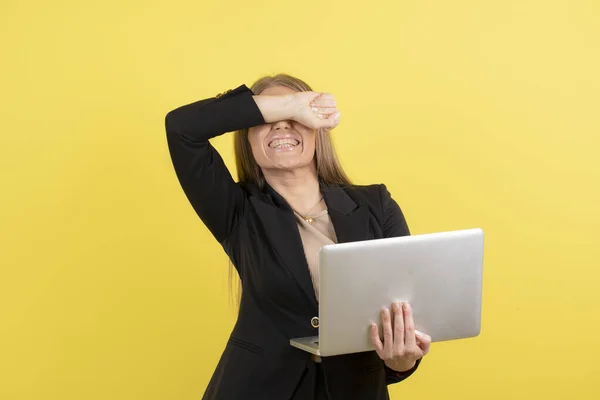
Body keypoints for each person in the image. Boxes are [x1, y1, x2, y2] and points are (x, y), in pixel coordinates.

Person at [165, 74, 431, 400]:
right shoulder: (236, 210)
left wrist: (402, 361)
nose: (281, 126)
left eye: (294, 118)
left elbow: (405, 314)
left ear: (317, 132)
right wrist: (290, 104)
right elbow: (182, 128)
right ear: (248, 141)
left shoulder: (375, 205)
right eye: (268, 119)